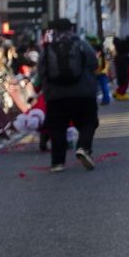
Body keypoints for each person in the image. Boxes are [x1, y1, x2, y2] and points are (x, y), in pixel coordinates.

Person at [36, 18, 99, 172]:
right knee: (88, 122)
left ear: (54, 29)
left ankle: (58, 162)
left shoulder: (48, 48)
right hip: (83, 93)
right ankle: (83, 147)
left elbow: (41, 71)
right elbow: (94, 63)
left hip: (55, 96)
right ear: (72, 28)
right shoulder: (82, 45)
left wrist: (43, 88)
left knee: (57, 128)